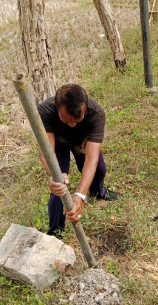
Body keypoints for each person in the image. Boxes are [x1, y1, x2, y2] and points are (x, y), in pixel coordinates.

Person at [37, 83, 119, 236]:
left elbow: (91, 160)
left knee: (100, 170)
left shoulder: (96, 114)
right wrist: (56, 176)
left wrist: (80, 195)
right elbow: (46, 152)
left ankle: (97, 192)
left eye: (77, 119)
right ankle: (55, 232)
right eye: (66, 120)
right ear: (56, 106)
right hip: (58, 144)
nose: (73, 125)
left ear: (85, 106)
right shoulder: (45, 111)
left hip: (81, 141)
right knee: (58, 188)